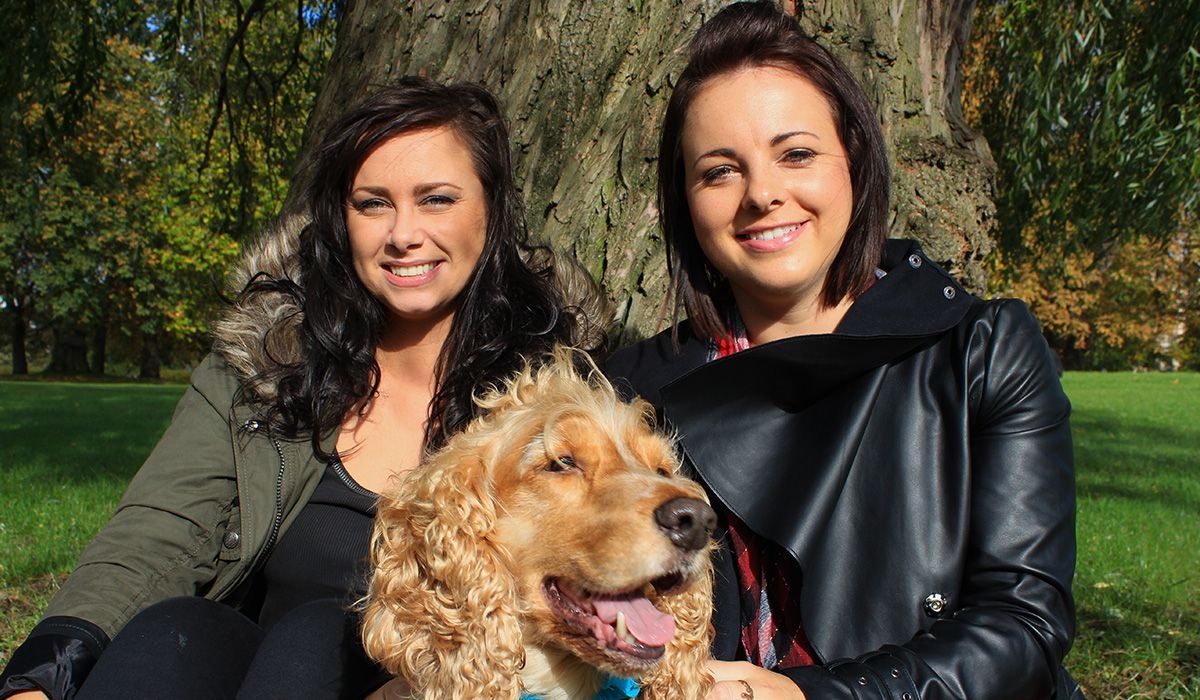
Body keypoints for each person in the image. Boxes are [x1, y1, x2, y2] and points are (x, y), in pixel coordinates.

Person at [1, 76, 600, 700]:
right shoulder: (269, 363)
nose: (402, 233)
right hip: (255, 665)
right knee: (177, 629)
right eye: (372, 203)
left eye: (437, 199)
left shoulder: (559, 409)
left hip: (442, 681)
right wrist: (43, 677)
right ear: (341, 219)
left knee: (322, 635)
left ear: (491, 208)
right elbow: (156, 532)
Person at [604, 3, 1082, 699]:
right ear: (686, 201)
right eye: (719, 171)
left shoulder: (981, 353)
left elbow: (1024, 628)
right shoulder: (629, 393)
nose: (763, 194)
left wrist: (810, 696)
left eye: (795, 153)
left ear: (853, 161)